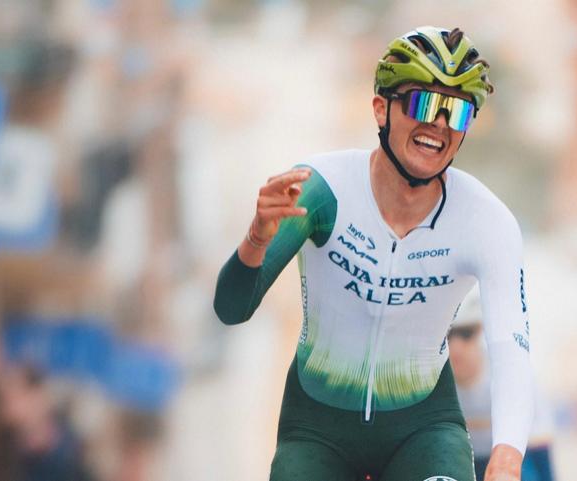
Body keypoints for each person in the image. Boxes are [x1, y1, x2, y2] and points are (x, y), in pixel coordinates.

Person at [214, 26, 534, 481]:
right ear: (381, 109)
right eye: (424, 104)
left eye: (458, 111)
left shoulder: (487, 221)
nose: (439, 124)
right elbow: (231, 309)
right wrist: (256, 237)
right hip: (318, 429)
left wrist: (506, 459)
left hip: (422, 429)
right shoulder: (320, 188)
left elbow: (511, 350)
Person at [448, 288, 555, 481]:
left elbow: (541, 442)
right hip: (459, 460)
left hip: (507, 459)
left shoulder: (508, 371)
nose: (456, 346)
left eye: (465, 334)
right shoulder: (431, 377)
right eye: (447, 335)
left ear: (480, 330)